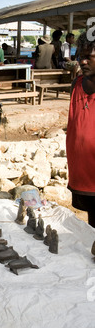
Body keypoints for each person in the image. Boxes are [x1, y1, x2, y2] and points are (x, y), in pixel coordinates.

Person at [66, 31, 95, 228]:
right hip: (82, 175)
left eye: (88, 57)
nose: (83, 62)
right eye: (80, 57)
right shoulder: (76, 85)